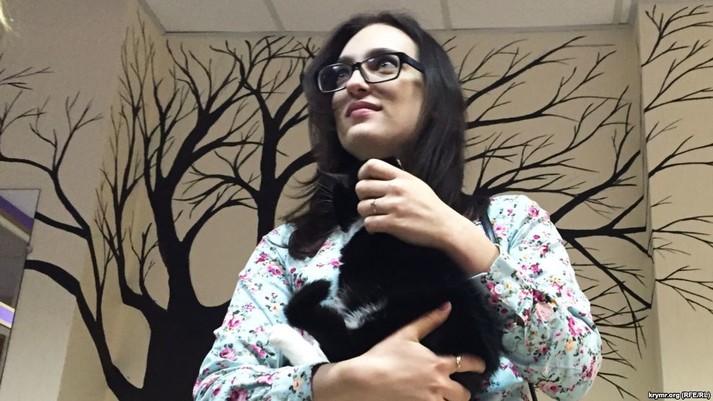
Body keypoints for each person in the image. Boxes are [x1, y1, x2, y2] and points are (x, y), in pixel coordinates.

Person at [193, 11, 601, 401]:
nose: (354, 83)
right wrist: (339, 383)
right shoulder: (286, 248)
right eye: (340, 73)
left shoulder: (510, 221)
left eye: (384, 64)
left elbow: (574, 373)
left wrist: (455, 233)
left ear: (435, 96)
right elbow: (216, 389)